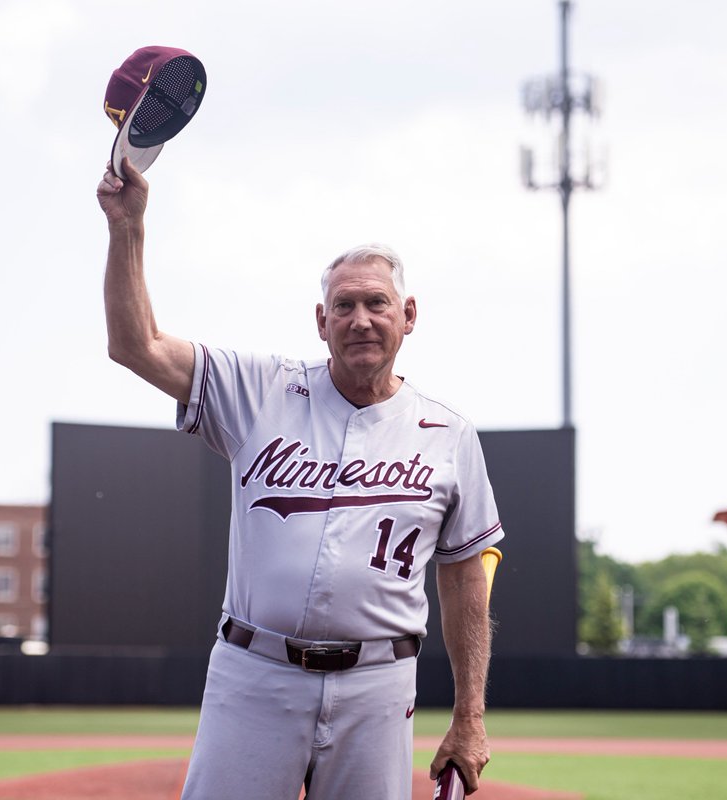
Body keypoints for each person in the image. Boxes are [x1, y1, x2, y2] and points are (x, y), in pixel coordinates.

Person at [97, 156, 504, 799]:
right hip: (254, 673)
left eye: (377, 303)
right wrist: (128, 227)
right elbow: (135, 345)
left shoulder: (449, 434)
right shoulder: (259, 389)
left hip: (379, 685)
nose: (361, 319)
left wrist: (469, 719)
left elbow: (464, 579)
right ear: (322, 321)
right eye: (343, 306)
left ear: (409, 315)